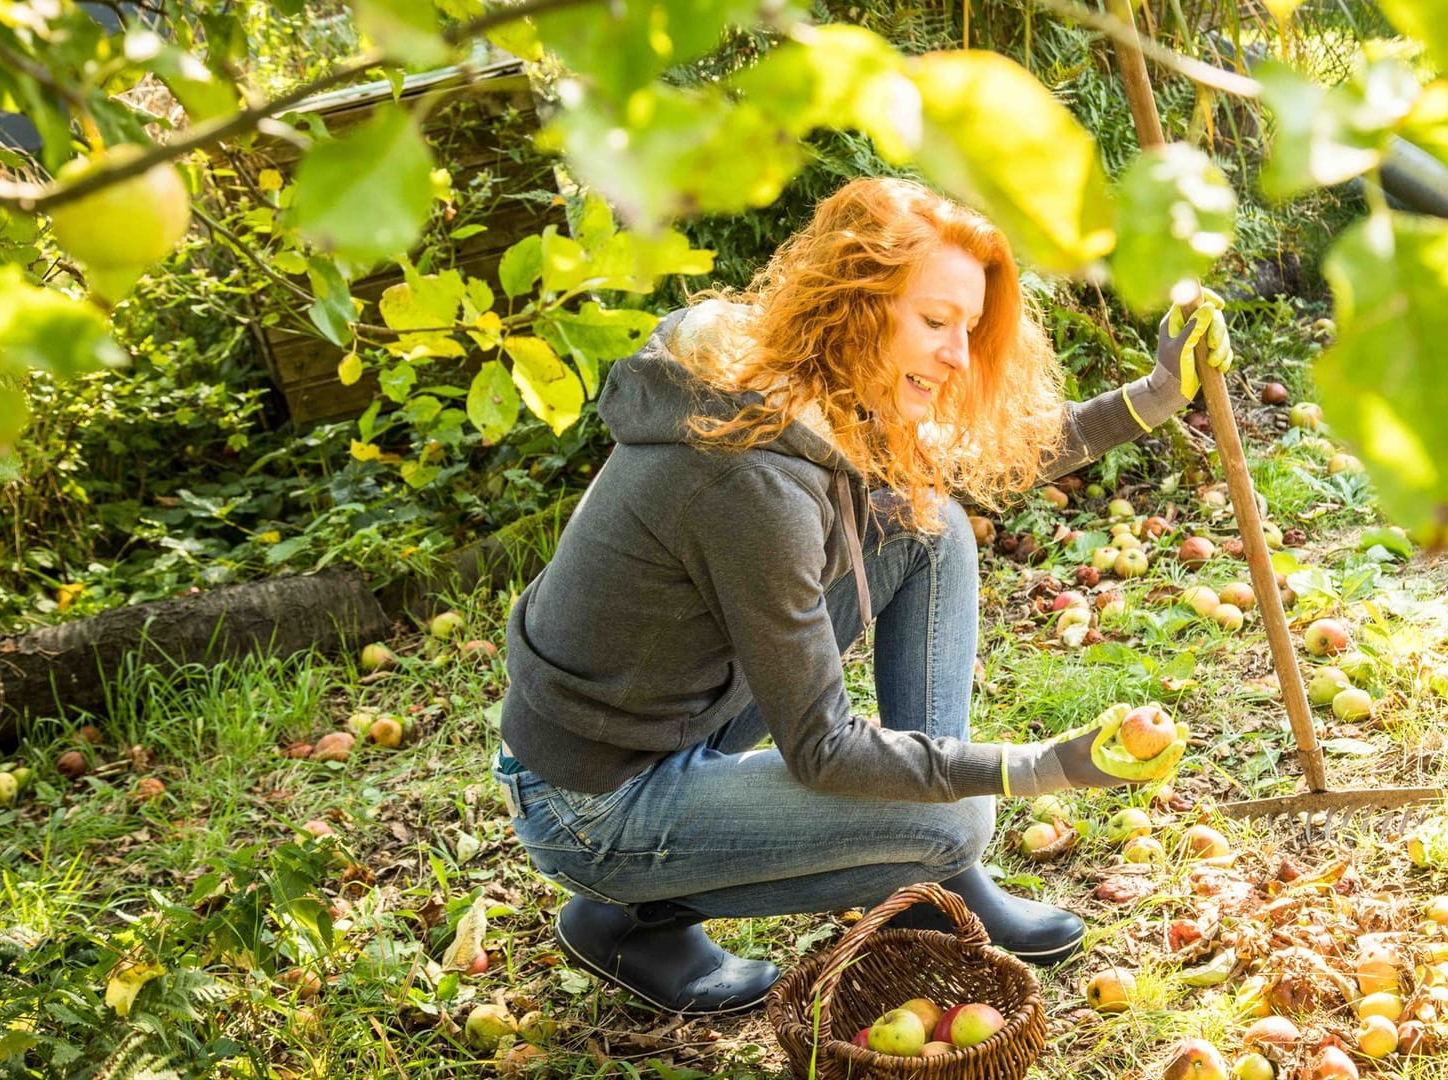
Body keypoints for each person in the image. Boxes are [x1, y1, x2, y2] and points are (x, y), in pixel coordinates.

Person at [493, 176, 1227, 1015]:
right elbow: (825, 751)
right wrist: (1045, 767)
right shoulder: (749, 479)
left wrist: (1162, 391)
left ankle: (938, 883)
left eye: (970, 328)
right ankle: (633, 914)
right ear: (856, 305)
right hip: (594, 796)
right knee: (955, 821)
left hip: (679, 711)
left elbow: (997, 455)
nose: (958, 354)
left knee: (927, 524)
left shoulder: (808, 390)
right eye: (936, 321)